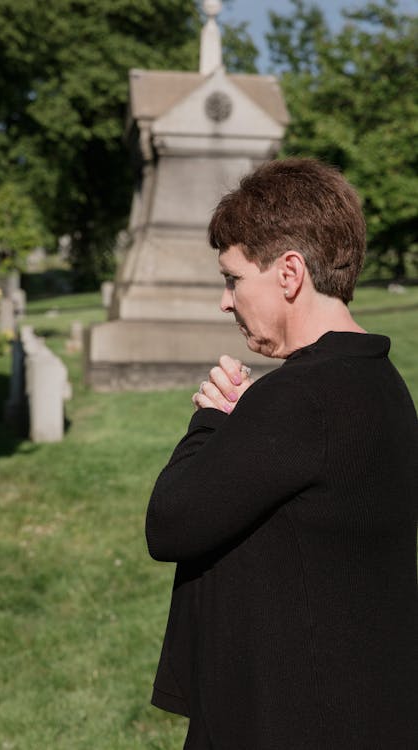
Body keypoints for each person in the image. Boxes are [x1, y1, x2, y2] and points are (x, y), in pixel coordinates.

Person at [145, 158, 418, 749]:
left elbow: (169, 523)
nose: (225, 301)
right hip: (364, 708)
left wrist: (212, 419)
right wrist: (250, 425)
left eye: (234, 278)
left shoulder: (299, 398)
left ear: (289, 272)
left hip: (288, 717)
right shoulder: (379, 381)